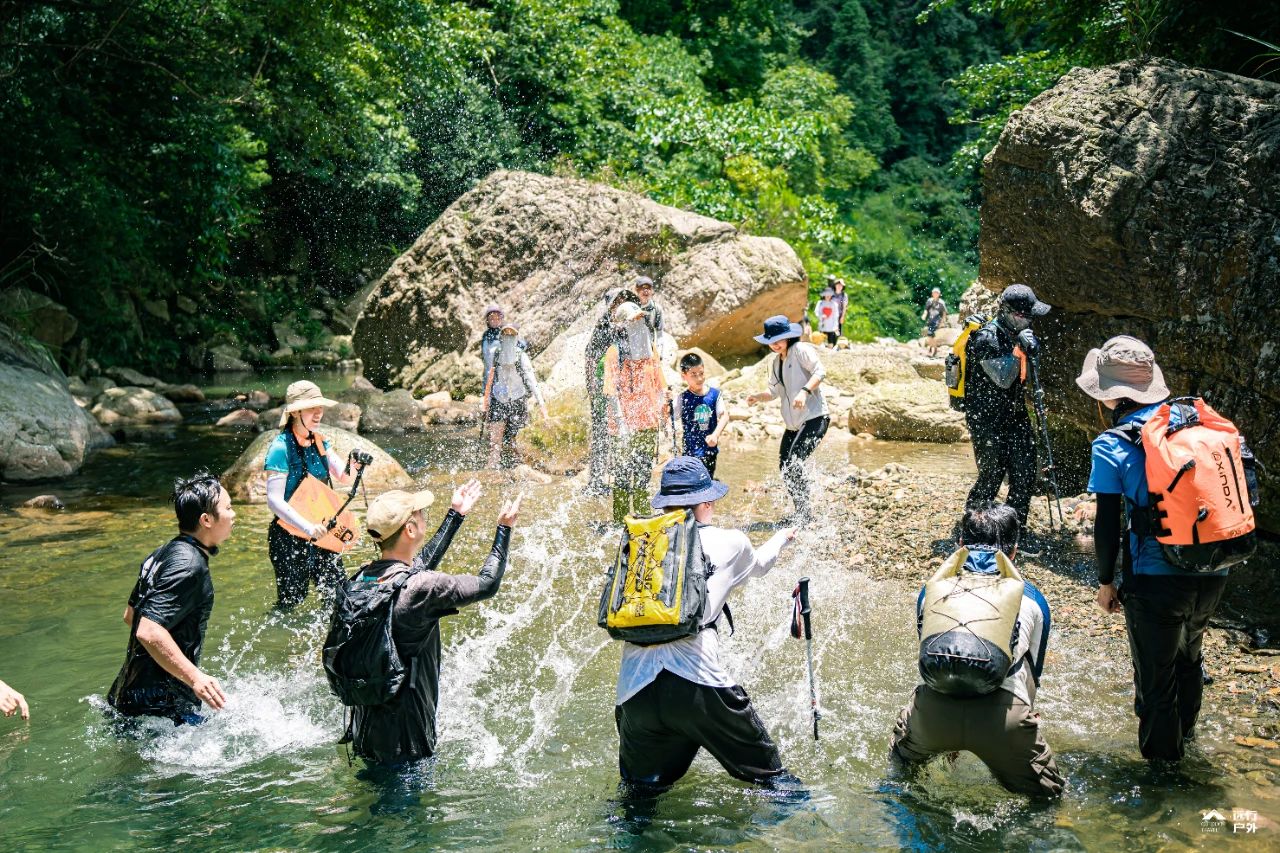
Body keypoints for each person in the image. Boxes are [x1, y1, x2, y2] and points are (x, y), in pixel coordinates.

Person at [1075, 336, 1231, 761]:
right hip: (1213, 568)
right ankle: (1189, 743)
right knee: (1189, 657)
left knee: (1155, 683)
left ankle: (1164, 781)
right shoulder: (1192, 425)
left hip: (1155, 580)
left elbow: (1106, 523)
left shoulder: (1113, 444)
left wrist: (1106, 582)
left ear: (1110, 396)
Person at [614, 457, 800, 792]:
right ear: (706, 502)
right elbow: (759, 566)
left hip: (633, 691)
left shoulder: (637, 544)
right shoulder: (730, 541)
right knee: (776, 783)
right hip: (697, 685)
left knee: (638, 799)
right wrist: (782, 538)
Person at [889, 503, 1064, 797]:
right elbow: (1032, 678)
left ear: (959, 545)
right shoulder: (1034, 601)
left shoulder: (931, 590)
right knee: (1048, 798)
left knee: (900, 774)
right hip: (1005, 720)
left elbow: (933, 658)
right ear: (1014, 551)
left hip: (932, 714)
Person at [343, 481, 520, 766]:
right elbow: (487, 584)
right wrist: (504, 528)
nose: (425, 516)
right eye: (420, 514)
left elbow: (415, 570)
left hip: (365, 729)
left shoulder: (362, 580)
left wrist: (456, 515)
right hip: (407, 743)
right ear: (410, 530)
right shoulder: (423, 588)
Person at [107, 472, 235, 725]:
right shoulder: (188, 565)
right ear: (206, 519)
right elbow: (148, 630)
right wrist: (195, 677)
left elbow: (130, 616)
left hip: (128, 694)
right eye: (229, 508)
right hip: (159, 707)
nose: (234, 515)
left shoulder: (163, 552)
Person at [963, 284, 1049, 528]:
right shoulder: (986, 337)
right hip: (986, 420)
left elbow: (1030, 375)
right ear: (1011, 313)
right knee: (992, 475)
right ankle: (973, 529)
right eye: (1027, 316)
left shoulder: (1019, 333)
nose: (1031, 321)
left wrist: (1032, 350)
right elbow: (1003, 378)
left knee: (1025, 472)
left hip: (1015, 415)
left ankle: (1014, 528)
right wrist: (1020, 349)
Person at [264, 380, 352, 608]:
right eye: (312, 408)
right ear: (295, 412)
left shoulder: (321, 441)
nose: (319, 413)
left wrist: (355, 464)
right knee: (291, 603)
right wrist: (308, 527)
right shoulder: (280, 448)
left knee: (338, 599)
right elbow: (274, 500)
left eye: (320, 408)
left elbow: (344, 476)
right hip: (289, 539)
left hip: (323, 535)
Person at [746, 315, 829, 523]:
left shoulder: (801, 350)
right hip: (793, 425)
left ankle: (805, 515)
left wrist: (804, 392)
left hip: (815, 418)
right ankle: (802, 512)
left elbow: (820, 371)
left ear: (788, 337)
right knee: (785, 467)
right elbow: (773, 392)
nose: (775, 344)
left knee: (794, 462)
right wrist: (758, 397)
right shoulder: (775, 362)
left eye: (778, 340)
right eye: (771, 341)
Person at [605, 301, 666, 524]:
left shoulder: (651, 350)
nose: (639, 323)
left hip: (648, 423)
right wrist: (621, 425)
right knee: (621, 477)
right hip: (623, 427)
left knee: (642, 475)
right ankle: (620, 523)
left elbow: (659, 384)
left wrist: (663, 412)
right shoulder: (615, 352)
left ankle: (642, 519)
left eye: (641, 318)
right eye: (633, 320)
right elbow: (610, 392)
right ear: (622, 325)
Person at [584, 289, 640, 497]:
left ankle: (620, 478)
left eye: (624, 301)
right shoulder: (602, 327)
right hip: (602, 388)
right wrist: (592, 389)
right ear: (610, 305)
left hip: (624, 389)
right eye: (617, 302)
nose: (621, 304)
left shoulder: (631, 325)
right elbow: (590, 358)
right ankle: (596, 481)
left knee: (622, 432)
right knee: (601, 433)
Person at [481, 323, 548, 469]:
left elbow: (532, 381)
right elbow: (491, 376)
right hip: (499, 399)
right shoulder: (497, 354)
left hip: (518, 401)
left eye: (512, 335)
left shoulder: (521, 356)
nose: (508, 338)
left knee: (516, 442)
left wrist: (542, 405)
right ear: (501, 337)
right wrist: (485, 401)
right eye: (506, 335)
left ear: (516, 337)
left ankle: (521, 471)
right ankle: (490, 473)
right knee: (494, 444)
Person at [678, 352, 727, 478]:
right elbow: (668, 417)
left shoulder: (715, 395)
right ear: (684, 376)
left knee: (707, 484)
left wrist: (715, 435)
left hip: (709, 451)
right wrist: (665, 404)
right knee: (692, 488)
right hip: (689, 454)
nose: (699, 378)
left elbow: (725, 416)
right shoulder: (682, 398)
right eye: (693, 375)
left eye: (701, 373)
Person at [634, 276, 664, 346]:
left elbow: (660, 334)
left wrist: (659, 353)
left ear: (652, 290)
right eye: (643, 288)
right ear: (636, 289)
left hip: (649, 348)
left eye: (649, 288)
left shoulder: (657, 308)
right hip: (632, 349)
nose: (646, 291)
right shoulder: (631, 306)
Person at [479, 304, 505, 379]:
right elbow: (484, 356)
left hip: (502, 370)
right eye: (492, 319)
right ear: (488, 320)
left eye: (498, 318)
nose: (495, 321)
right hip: (489, 370)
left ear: (501, 319)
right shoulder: (486, 335)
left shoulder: (505, 332)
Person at [922, 288, 950, 357]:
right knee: (931, 336)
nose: (935, 294)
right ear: (932, 294)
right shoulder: (930, 301)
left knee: (929, 335)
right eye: (934, 293)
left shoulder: (941, 302)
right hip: (930, 320)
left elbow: (944, 313)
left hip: (937, 321)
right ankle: (932, 348)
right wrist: (924, 315)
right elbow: (926, 309)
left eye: (937, 293)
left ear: (939, 294)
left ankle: (934, 349)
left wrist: (943, 322)